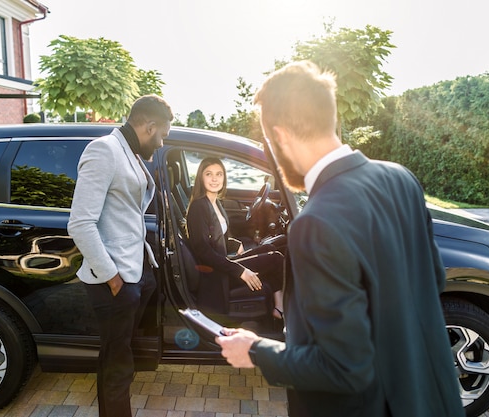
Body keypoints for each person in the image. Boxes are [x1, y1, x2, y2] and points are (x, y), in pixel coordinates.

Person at [215, 61, 464, 417]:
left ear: (280, 136)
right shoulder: (401, 179)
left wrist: (254, 350)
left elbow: (345, 368)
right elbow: (431, 280)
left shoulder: (316, 222)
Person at [67, 95, 173, 417]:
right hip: (115, 280)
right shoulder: (105, 150)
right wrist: (113, 279)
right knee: (118, 363)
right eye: (162, 135)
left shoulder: (131, 153)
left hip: (135, 272)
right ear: (150, 125)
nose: (161, 142)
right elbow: (80, 223)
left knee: (116, 353)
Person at [185, 157, 284, 319]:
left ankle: (278, 307)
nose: (215, 179)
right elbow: (203, 251)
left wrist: (234, 244)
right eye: (208, 174)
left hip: (221, 265)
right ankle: (280, 308)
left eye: (219, 174)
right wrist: (240, 271)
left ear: (224, 177)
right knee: (277, 259)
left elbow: (217, 238)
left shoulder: (215, 202)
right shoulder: (198, 207)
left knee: (270, 249)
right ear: (201, 178)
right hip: (214, 276)